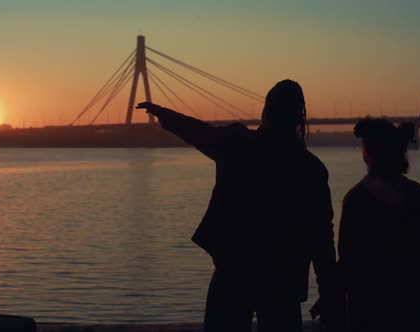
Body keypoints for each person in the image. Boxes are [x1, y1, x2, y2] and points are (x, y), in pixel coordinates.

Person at [137, 79, 337, 332]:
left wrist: (166, 116)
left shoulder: (237, 143)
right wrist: (330, 293)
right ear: (300, 117)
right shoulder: (311, 169)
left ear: (266, 111)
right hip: (283, 280)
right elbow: (321, 238)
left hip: (233, 271)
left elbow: (201, 133)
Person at [336, 118, 420, 332]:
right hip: (412, 307)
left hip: (367, 310)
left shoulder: (356, 200)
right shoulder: (417, 195)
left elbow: (348, 260)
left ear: (368, 153)